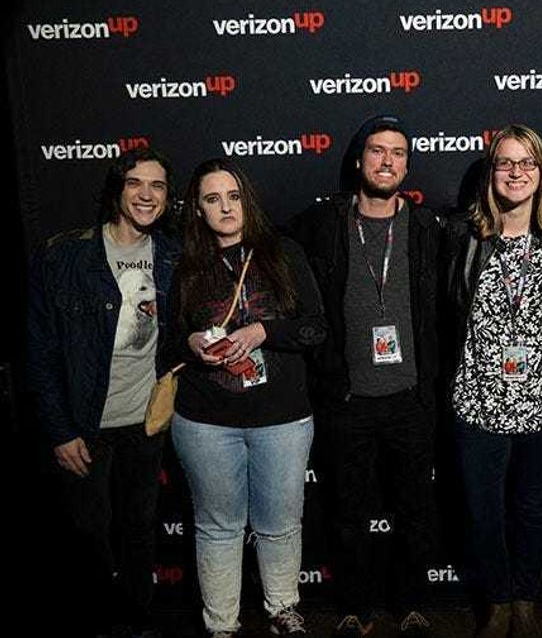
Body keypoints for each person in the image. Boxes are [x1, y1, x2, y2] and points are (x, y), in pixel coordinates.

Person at [288, 114, 442, 637]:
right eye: (377, 151)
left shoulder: (426, 227)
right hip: (347, 398)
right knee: (347, 511)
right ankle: (354, 606)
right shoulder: (324, 223)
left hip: (409, 397)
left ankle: (411, 604)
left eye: (398, 152)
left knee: (414, 511)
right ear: (359, 160)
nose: (387, 161)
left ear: (407, 164)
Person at [166, 158, 326, 637]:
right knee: (218, 526)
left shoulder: (283, 253)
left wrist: (262, 331)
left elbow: (316, 327)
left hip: (281, 418)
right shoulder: (184, 262)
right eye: (212, 199)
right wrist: (192, 343)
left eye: (233, 196)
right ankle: (221, 625)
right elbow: (168, 342)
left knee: (279, 522)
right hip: (205, 421)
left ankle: (282, 610)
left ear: (247, 201)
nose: (225, 207)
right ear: (197, 209)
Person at [27, 148, 180, 637]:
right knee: (89, 535)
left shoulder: (174, 255)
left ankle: (137, 622)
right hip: (85, 424)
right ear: (118, 189)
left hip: (145, 423)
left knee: (139, 531)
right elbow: (43, 352)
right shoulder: (66, 256)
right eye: (136, 183)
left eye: (157, 186)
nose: (147, 194)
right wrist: (59, 429)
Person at [445, 124, 542, 638]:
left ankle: (526, 602)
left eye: (528, 163)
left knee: (532, 512)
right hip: (478, 401)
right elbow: (447, 314)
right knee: (484, 515)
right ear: (491, 172)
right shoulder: (463, 234)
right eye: (506, 163)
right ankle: (498, 602)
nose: (516, 173)